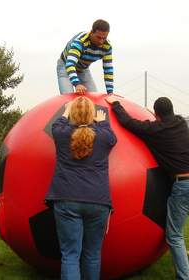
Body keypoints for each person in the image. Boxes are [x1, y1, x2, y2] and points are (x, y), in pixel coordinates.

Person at [105, 96, 189, 280]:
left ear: (156, 114)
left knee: (174, 235)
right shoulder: (181, 123)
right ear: (172, 111)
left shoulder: (155, 129)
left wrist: (116, 104)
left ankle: (184, 277)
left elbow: (129, 122)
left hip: (185, 184)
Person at [45, 96, 117, 280]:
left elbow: (58, 124)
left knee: (70, 255)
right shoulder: (104, 136)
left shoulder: (61, 134)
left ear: (72, 114)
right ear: (92, 115)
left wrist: (67, 110)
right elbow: (111, 137)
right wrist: (101, 123)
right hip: (98, 201)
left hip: (66, 199)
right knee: (92, 254)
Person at [57, 19, 114, 95]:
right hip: (65, 66)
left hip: (83, 69)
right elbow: (70, 64)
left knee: (94, 96)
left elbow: (108, 70)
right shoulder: (80, 41)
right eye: (98, 37)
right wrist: (77, 84)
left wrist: (110, 92)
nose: (101, 41)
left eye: (104, 38)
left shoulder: (107, 46)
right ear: (91, 32)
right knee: (68, 96)